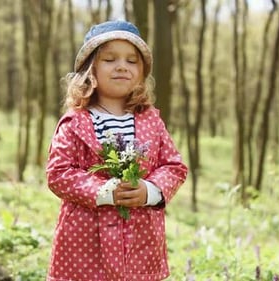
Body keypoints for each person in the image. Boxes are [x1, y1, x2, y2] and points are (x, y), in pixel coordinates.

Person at [46, 20, 188, 281]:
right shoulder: (75, 121)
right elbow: (58, 173)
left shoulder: (151, 121)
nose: (122, 66)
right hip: (83, 242)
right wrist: (102, 190)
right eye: (110, 59)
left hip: (140, 239)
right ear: (91, 70)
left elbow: (174, 166)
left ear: (142, 73)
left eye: (132, 61)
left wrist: (150, 190)